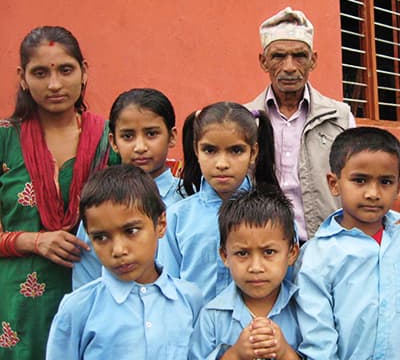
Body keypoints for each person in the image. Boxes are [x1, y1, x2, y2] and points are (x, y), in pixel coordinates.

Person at [0, 26, 116, 359]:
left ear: (84, 72)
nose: (54, 84)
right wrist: (34, 240)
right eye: (40, 73)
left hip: (96, 295)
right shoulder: (4, 141)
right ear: (23, 78)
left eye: (65, 70)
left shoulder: (111, 138)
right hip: (17, 307)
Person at [46, 165, 203, 359]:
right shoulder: (78, 308)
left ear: (160, 224)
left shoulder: (189, 299)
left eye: (131, 231)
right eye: (101, 237)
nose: (118, 250)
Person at [294, 126, 400, 359]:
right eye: (360, 180)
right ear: (334, 183)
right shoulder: (317, 255)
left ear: (399, 186)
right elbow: (319, 339)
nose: (373, 193)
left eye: (386, 182)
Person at [246, 6, 356, 241]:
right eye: (278, 56)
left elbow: (357, 182)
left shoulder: (340, 117)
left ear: (313, 60)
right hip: (264, 247)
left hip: (325, 245)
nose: (289, 67)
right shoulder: (245, 119)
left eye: (299, 56)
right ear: (263, 61)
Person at [158, 102, 279, 302]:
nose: (222, 164)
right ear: (196, 151)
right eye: (210, 150)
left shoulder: (276, 216)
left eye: (236, 151)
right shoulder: (177, 217)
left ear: (253, 152)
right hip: (193, 330)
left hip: (257, 330)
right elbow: (167, 289)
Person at [73, 87, 182, 289]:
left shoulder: (186, 200)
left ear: (172, 136)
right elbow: (86, 280)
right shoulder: (99, 203)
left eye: (151, 134)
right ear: (113, 141)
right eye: (128, 136)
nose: (140, 147)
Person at [189, 185, 301, 360]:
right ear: (225, 256)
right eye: (242, 253)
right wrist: (235, 354)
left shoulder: (302, 308)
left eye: (269, 252)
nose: (255, 267)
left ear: (291, 253)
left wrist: (285, 353)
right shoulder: (213, 317)